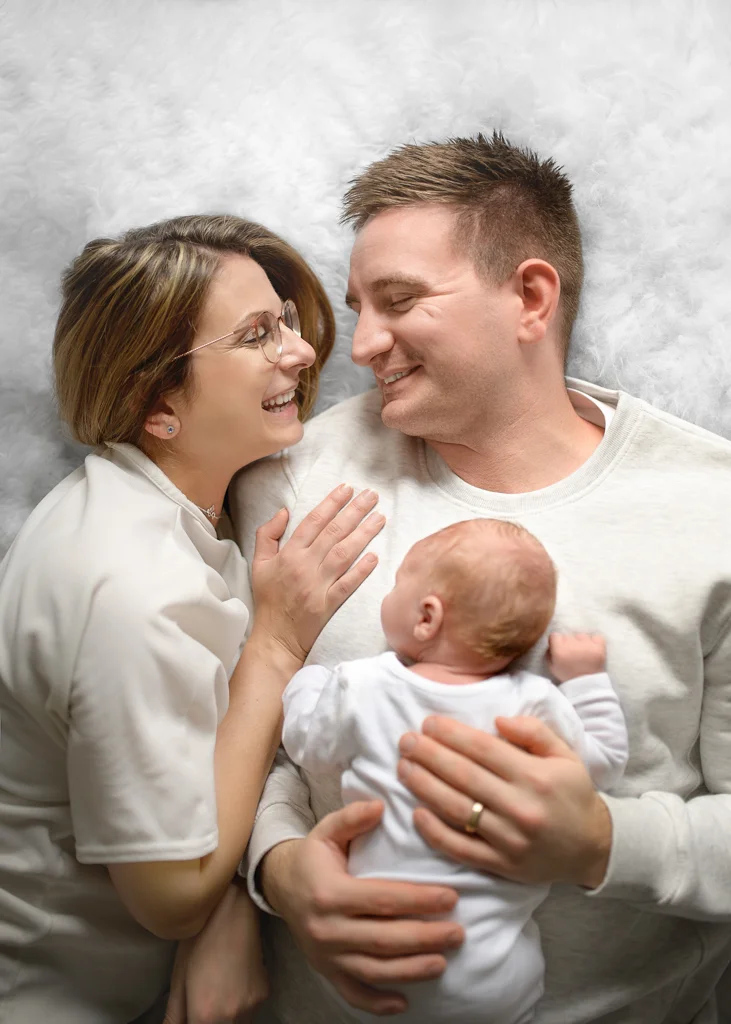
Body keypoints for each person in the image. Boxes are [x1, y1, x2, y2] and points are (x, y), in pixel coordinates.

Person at [225, 131, 731, 1024]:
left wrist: (601, 841)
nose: (362, 344)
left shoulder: (712, 512)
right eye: (357, 307)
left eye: (401, 301)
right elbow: (238, 736)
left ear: (529, 297)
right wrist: (274, 867)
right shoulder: (293, 477)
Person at [0, 213, 385, 1024]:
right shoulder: (131, 592)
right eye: (255, 335)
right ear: (157, 406)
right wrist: (276, 647)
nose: (304, 351)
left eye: (284, 319)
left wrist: (237, 906)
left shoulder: (142, 505)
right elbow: (171, 896)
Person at [281, 519, 628, 1024]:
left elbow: (308, 746)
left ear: (427, 617)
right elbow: (603, 764)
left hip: (371, 959)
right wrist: (586, 679)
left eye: (399, 582)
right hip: (495, 977)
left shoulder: (363, 685)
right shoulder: (531, 702)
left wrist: (305, 683)